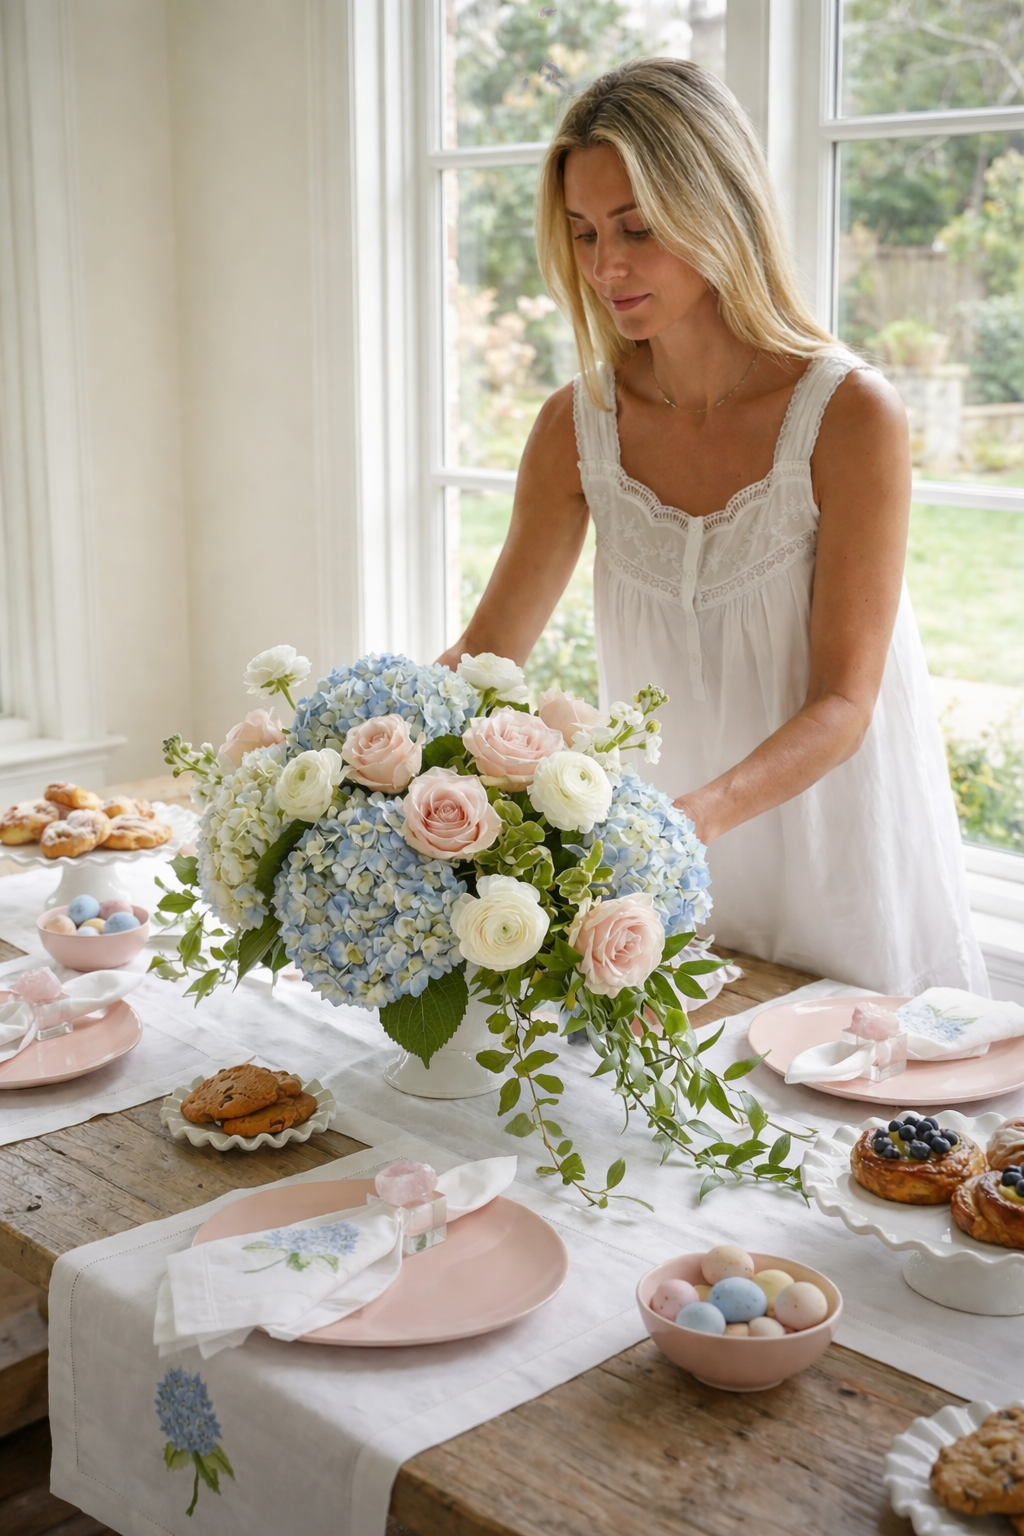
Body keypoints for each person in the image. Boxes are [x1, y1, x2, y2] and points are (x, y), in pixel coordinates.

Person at [439, 58, 987, 997]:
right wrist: (344, 763)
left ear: (716, 208)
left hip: (834, 853)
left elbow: (845, 705)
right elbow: (487, 656)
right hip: (666, 886)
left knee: (858, 1128)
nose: (606, 267)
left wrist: (695, 819)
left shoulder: (850, 413)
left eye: (637, 229)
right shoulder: (576, 428)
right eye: (582, 233)